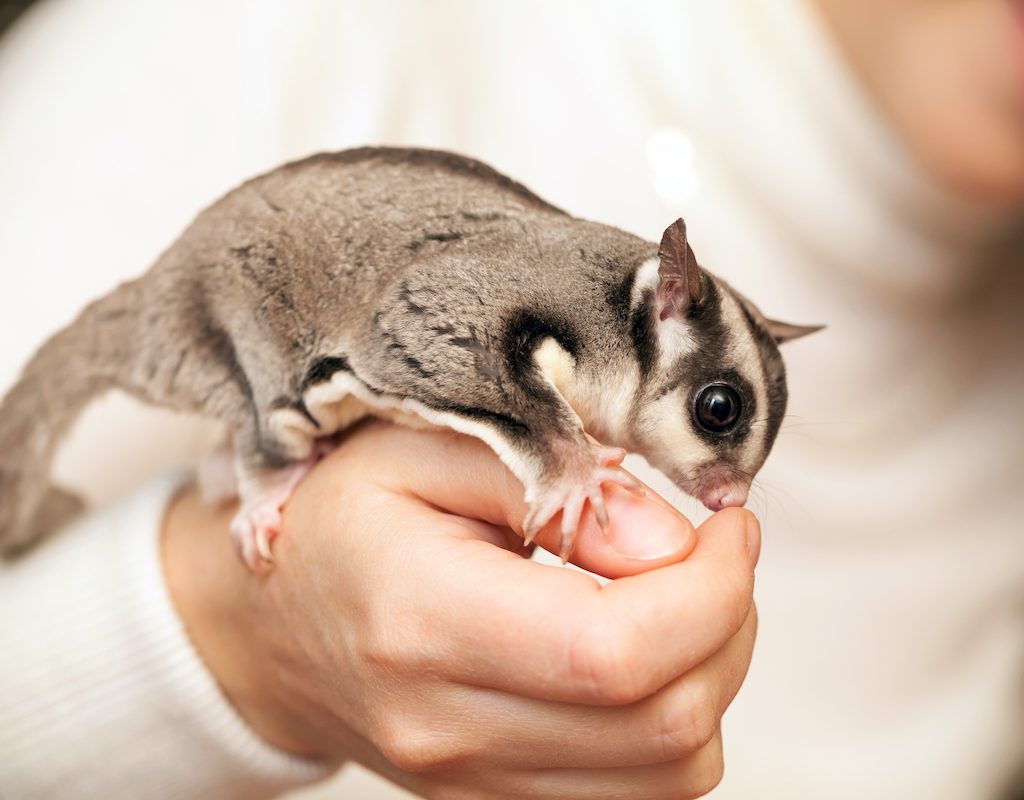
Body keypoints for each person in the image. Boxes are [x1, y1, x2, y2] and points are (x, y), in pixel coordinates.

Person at [1, 1, 1021, 798]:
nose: (726, 495)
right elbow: (438, 337)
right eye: (716, 421)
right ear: (668, 302)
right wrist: (229, 637)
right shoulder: (288, 35)